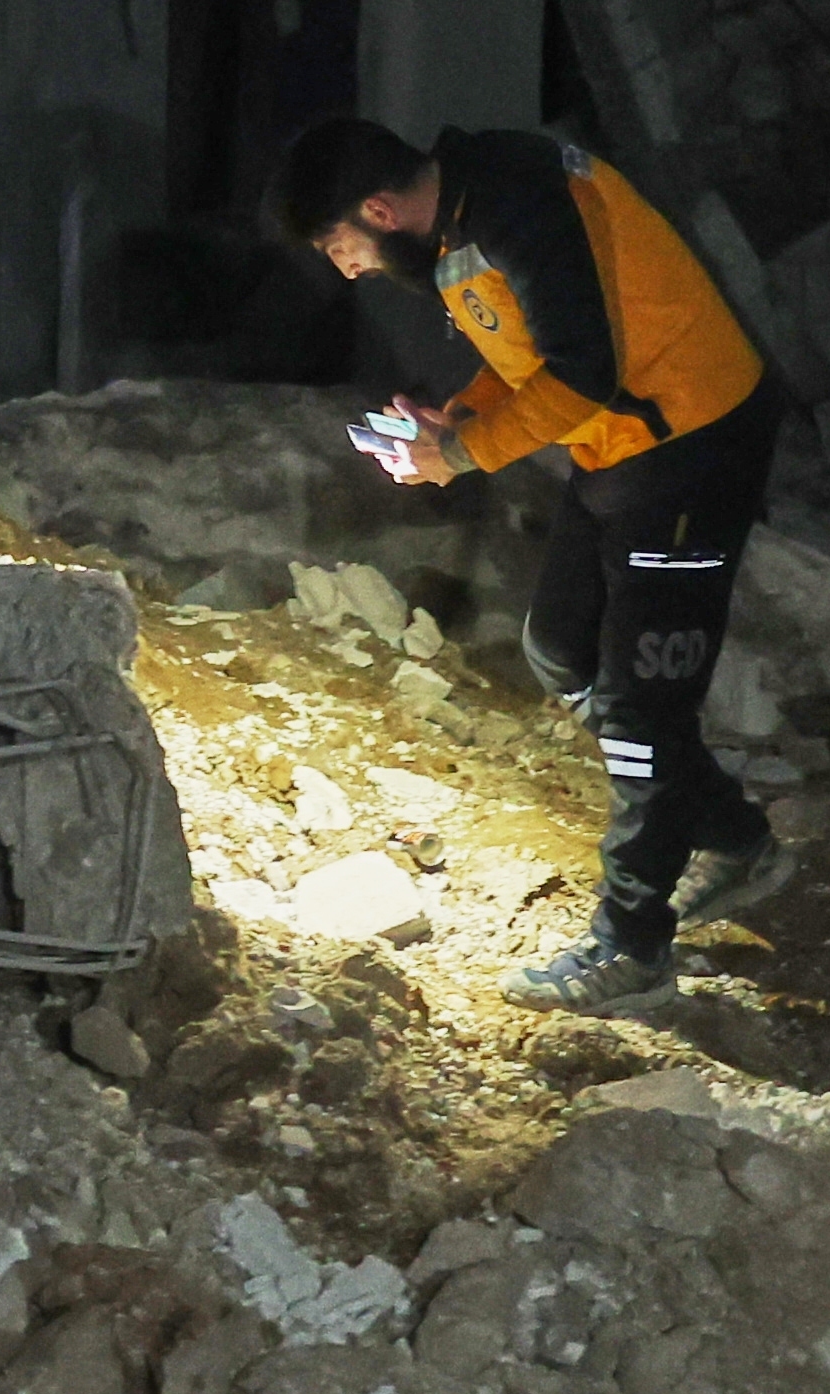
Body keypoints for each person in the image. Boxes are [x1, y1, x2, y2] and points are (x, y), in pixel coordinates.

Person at [271, 115, 783, 1007]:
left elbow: (585, 372)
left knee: (638, 712)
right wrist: (461, 418)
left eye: (337, 244)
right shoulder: (465, 216)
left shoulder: (514, 206)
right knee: (561, 650)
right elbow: (532, 355)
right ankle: (734, 837)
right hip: (623, 448)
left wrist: (460, 458)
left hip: (691, 443)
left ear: (380, 210)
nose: (343, 267)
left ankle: (632, 947)